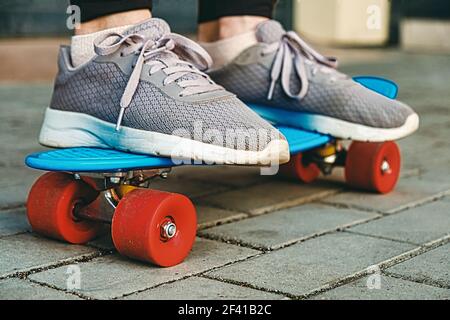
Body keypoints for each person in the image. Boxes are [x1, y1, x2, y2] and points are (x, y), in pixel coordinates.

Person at [39, 0, 418, 166]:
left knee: (242, 23)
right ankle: (109, 38)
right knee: (117, 22)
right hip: (100, 65)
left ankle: (239, 40)